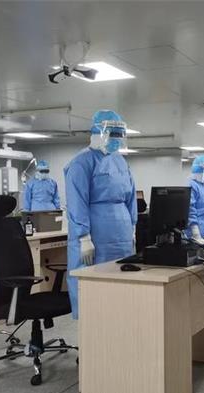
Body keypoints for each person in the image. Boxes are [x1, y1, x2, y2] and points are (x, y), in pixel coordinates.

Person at [64, 110, 138, 318]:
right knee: (94, 287)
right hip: (95, 234)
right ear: (98, 132)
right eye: (112, 134)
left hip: (122, 234)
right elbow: (77, 201)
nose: (116, 139)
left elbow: (131, 195)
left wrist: (133, 227)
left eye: (119, 135)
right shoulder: (81, 162)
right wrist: (83, 237)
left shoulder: (120, 161)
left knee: (121, 286)